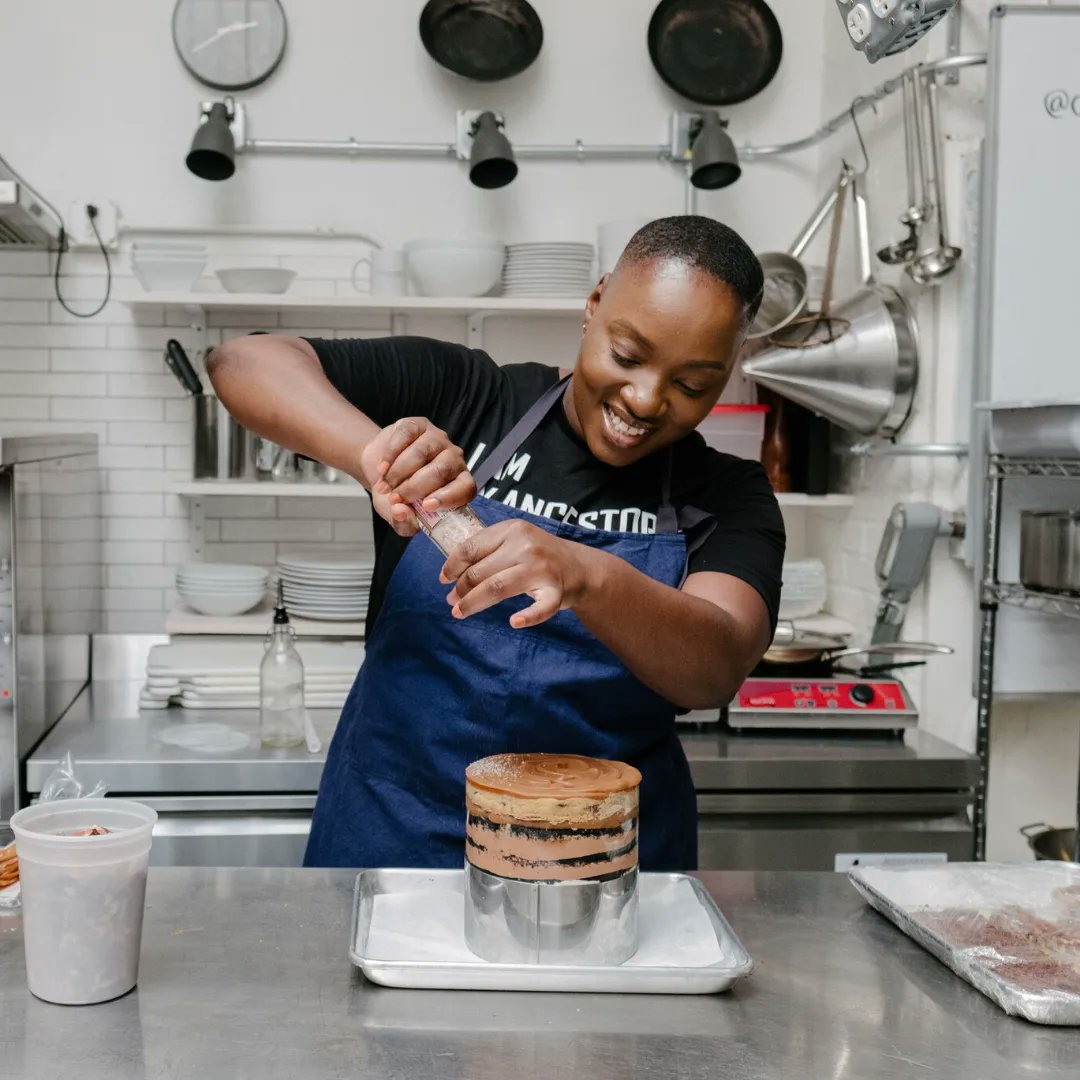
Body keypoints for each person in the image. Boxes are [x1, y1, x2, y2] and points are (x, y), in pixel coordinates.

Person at [207, 216, 785, 872]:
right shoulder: (471, 396)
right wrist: (375, 455)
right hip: (395, 842)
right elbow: (243, 361)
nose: (646, 399)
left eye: (692, 385)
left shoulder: (729, 493)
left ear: (729, 368)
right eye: (627, 355)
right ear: (594, 305)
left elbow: (716, 665)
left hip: (599, 872)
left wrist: (589, 576)